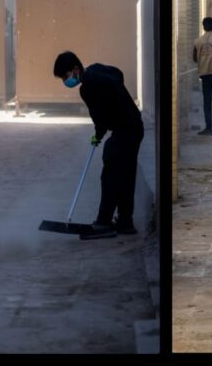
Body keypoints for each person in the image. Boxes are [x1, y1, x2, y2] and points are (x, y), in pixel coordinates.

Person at [53, 52, 144, 236]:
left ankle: (104, 222)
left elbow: (99, 117)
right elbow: (118, 74)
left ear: (76, 70)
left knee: (110, 174)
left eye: (66, 76)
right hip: (134, 126)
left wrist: (98, 134)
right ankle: (125, 222)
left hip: (125, 130)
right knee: (125, 175)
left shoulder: (87, 88)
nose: (66, 81)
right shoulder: (96, 68)